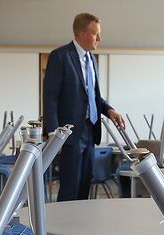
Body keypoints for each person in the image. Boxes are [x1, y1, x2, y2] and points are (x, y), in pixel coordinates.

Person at [43, 12, 125, 201]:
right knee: (70, 190)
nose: (100, 39)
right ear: (81, 34)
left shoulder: (92, 61)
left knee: (84, 188)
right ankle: (61, 229)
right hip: (69, 136)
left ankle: (78, 229)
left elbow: (94, 97)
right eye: (96, 34)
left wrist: (110, 110)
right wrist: (55, 135)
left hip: (90, 131)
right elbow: (50, 98)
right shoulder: (60, 56)